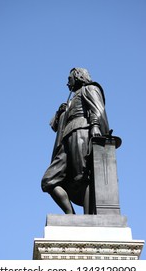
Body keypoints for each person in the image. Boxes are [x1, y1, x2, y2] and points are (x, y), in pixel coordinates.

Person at [41, 68, 110, 214]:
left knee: (83, 177)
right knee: (48, 180)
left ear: (78, 77)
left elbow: (98, 110)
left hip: (81, 133)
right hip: (66, 139)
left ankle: (88, 217)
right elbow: (54, 126)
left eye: (69, 78)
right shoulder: (70, 101)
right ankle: (71, 215)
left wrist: (96, 127)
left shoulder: (90, 88)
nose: (67, 83)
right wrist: (61, 112)